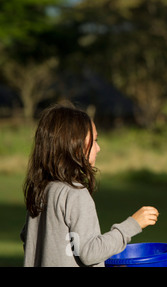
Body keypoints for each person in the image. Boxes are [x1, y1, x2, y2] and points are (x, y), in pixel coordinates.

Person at [20, 103, 159, 267]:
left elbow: (29, 239)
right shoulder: (75, 194)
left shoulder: (43, 189)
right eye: (94, 140)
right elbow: (90, 253)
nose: (99, 148)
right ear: (74, 146)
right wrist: (132, 225)